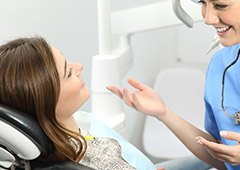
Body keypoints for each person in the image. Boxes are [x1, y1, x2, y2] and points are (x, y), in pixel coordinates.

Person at [107, 0, 240, 169]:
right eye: (202, 2)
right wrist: (164, 113)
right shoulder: (220, 66)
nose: (208, 18)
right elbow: (223, 157)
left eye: (221, 6)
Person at [0, 37, 155, 170]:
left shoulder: (38, 156)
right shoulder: (99, 161)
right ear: (47, 102)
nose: (80, 66)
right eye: (68, 72)